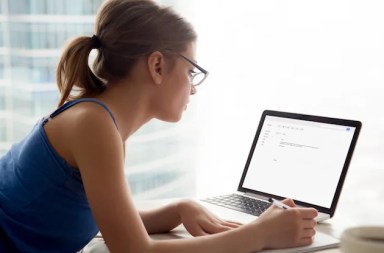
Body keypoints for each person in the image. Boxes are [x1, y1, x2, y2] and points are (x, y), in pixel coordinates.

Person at [0, 0, 318, 252]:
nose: (193, 88)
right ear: (157, 65)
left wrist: (178, 209)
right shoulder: (93, 126)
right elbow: (135, 250)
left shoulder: (97, 119)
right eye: (192, 71)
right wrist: (259, 235)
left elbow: (106, 220)